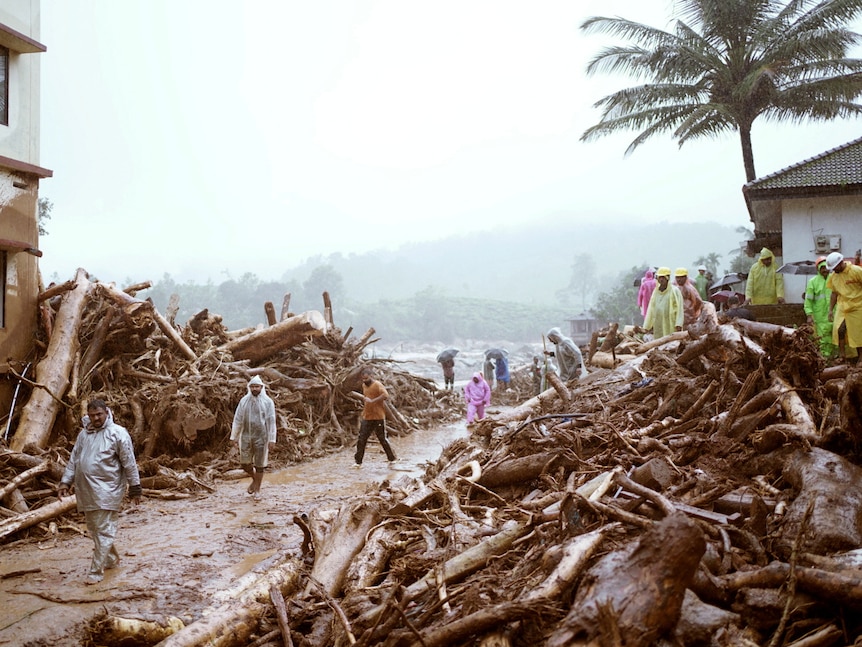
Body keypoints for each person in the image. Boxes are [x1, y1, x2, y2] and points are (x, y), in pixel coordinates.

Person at [57, 399, 142, 584]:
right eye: (92, 415)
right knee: (95, 529)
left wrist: (135, 488)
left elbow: (129, 462)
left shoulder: (118, 433)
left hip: (108, 490)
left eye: (99, 415)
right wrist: (65, 482)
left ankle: (96, 572)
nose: (95, 418)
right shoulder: (83, 434)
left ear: (107, 412)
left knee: (103, 530)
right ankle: (111, 559)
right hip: (86, 491)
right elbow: (74, 460)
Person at [231, 375, 277, 498]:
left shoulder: (268, 402)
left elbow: (271, 421)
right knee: (245, 463)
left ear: (261, 387)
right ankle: (254, 479)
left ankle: (257, 490)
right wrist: (234, 436)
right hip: (246, 436)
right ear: (249, 387)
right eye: (252, 387)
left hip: (262, 436)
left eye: (257, 386)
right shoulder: (244, 401)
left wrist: (272, 439)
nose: (255, 389)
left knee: (260, 464)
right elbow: (238, 419)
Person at [354, 366, 397, 467]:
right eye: (363, 379)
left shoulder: (377, 384)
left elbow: (385, 395)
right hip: (367, 416)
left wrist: (373, 401)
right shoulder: (364, 386)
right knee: (361, 439)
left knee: (382, 438)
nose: (364, 380)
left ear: (371, 376)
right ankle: (358, 462)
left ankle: (392, 459)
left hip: (378, 417)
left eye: (366, 378)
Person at [826, 251, 862, 364]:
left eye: (835, 267)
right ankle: (842, 356)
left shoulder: (856, 271)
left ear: (841, 263)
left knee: (857, 334)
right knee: (839, 330)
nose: (833, 270)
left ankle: (861, 358)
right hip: (842, 306)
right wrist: (831, 310)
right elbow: (834, 293)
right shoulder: (834, 276)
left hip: (857, 306)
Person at [804, 257, 835, 358]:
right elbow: (808, 300)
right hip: (820, 316)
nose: (825, 270)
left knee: (835, 336)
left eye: (826, 267)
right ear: (818, 269)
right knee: (823, 338)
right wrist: (809, 315)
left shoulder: (834, 279)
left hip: (834, 313)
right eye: (822, 268)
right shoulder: (813, 282)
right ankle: (825, 358)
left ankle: (835, 357)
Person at [642, 267, 684, 338]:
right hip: (658, 322)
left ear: (668, 278)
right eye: (659, 277)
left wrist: (678, 323)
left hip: (670, 322)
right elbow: (651, 308)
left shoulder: (674, 291)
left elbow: (680, 308)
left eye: (663, 277)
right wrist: (647, 325)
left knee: (671, 341)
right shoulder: (656, 291)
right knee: (659, 342)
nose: (661, 279)